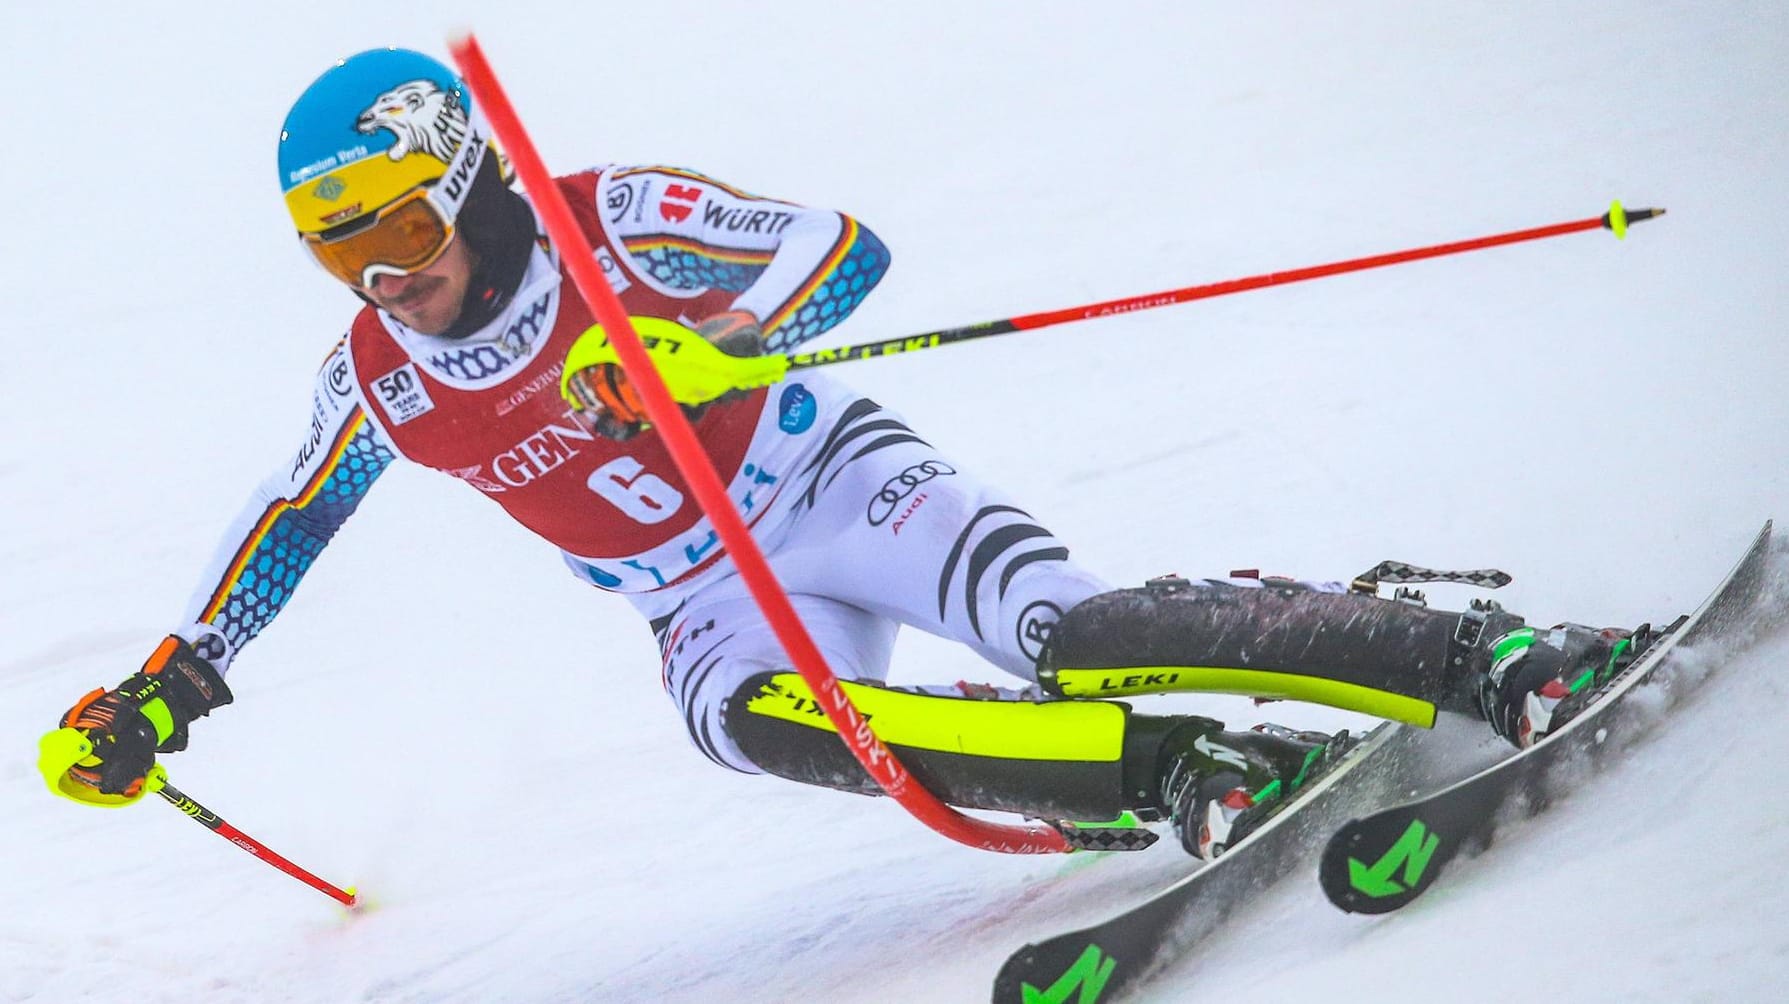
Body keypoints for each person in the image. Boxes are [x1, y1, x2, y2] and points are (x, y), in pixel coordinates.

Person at [40, 48, 1643, 860]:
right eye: (342, 261)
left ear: (459, 183)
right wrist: (167, 686)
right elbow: (287, 523)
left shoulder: (611, 218)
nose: (388, 282)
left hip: (823, 480)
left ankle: (1489, 656)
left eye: (395, 235)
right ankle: (1179, 779)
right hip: (695, 597)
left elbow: (838, 253)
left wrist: (697, 344)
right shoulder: (380, 372)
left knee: (1065, 634)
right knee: (754, 725)